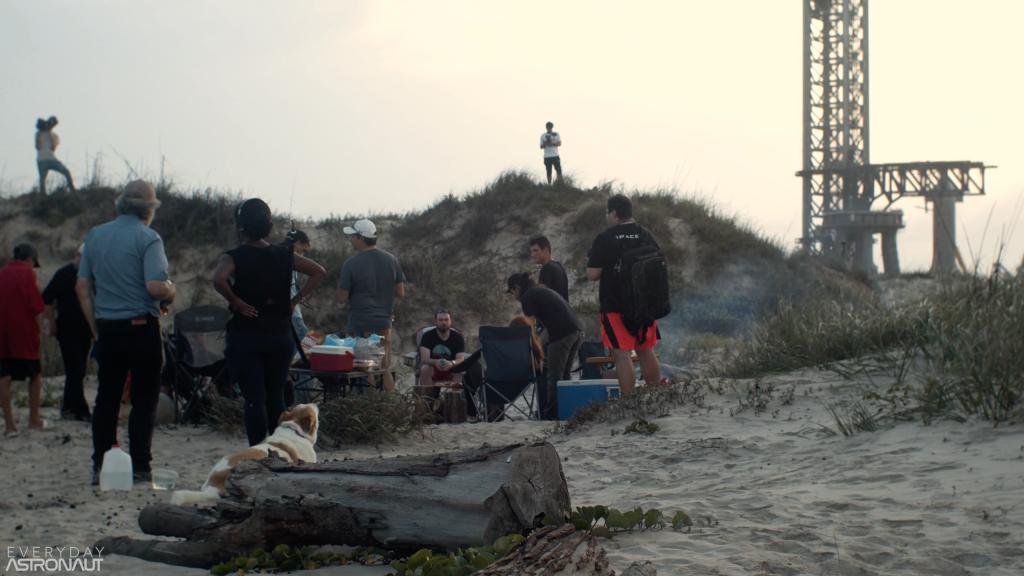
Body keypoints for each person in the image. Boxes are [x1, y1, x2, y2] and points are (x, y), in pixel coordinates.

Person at [76, 180, 176, 485]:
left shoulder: (95, 235)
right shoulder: (149, 238)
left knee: (106, 398)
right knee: (144, 400)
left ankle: (101, 467)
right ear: (149, 210)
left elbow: (81, 287)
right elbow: (155, 287)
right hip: (141, 328)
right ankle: (141, 468)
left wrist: (95, 328)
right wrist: (171, 291)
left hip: (108, 329)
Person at [214, 199, 325, 447]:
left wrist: (235, 301)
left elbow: (219, 279)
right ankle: (279, 451)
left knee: (255, 399)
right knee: (275, 397)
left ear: (239, 227)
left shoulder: (234, 256)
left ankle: (258, 453)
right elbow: (319, 271)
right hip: (280, 335)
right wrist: (294, 301)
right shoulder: (284, 255)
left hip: (247, 335)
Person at [585, 194, 661, 395]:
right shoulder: (645, 235)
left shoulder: (605, 238)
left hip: (615, 306)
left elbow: (592, 275)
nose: (606, 216)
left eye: (607, 212)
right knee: (646, 351)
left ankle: (628, 403)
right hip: (644, 306)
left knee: (622, 355)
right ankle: (657, 397)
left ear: (614, 213)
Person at [335, 219, 405, 392]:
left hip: (361, 323)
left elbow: (341, 298)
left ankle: (369, 410)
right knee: (384, 369)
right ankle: (388, 408)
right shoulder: (391, 259)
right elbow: (400, 292)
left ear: (361, 238)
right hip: (384, 323)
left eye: (352, 236)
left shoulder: (351, 264)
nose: (350, 239)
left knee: (366, 370)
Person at [506, 272, 584, 420]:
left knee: (554, 377)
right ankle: (565, 412)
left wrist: (526, 350)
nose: (514, 296)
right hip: (577, 332)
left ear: (516, 287)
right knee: (564, 376)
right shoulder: (543, 291)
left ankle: (551, 414)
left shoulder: (528, 296)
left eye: (512, 292)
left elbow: (529, 328)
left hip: (561, 335)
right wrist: (537, 347)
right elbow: (547, 330)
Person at [0, 244, 48, 438]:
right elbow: (35, 306)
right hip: (23, 329)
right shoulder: (28, 274)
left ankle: (10, 426)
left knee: (4, 376)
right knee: (34, 374)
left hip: (2, 330)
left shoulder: (1, 273)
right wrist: (39, 332)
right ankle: (33, 420)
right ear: (30, 258)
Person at [42, 243, 93, 422]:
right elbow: (47, 299)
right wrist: (52, 323)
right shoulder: (64, 274)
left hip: (86, 330)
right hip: (67, 329)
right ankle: (79, 409)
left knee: (78, 370)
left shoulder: (90, 275)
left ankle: (69, 407)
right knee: (75, 368)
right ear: (76, 255)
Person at [417, 308, 466, 389]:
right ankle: (428, 398)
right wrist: (436, 362)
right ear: (435, 321)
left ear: (450, 321)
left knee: (461, 371)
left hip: (451, 368)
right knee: (425, 368)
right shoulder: (427, 336)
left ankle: (454, 398)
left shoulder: (458, 337)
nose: (444, 323)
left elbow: (461, 359)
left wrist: (452, 363)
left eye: (446, 320)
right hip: (433, 368)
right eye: (440, 320)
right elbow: (425, 359)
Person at [281, 227, 313, 343]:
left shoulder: (277, 255)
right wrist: (294, 301)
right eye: (303, 250)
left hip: (284, 312)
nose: (303, 255)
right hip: (293, 314)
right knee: (305, 345)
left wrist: (299, 297)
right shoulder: (289, 258)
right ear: (298, 244)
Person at [35, 116, 75, 195]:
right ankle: (43, 195)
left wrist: (50, 135)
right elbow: (38, 147)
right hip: (42, 159)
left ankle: (72, 189)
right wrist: (38, 137)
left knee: (66, 172)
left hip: (51, 158)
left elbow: (53, 148)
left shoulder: (55, 136)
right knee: (42, 179)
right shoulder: (38, 134)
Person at [530, 236, 569, 301]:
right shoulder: (559, 266)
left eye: (535, 250)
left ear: (545, 250)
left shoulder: (547, 269)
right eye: (532, 251)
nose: (532, 255)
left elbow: (541, 297)